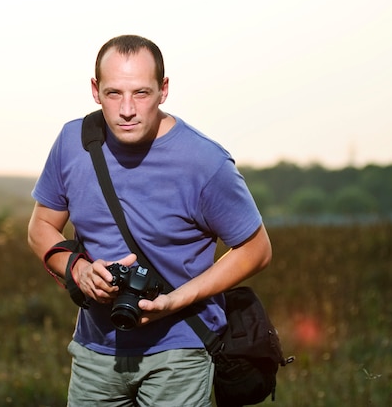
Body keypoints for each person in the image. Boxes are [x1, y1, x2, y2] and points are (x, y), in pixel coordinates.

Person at [27, 34, 272, 407]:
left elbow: (257, 249)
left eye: (141, 93)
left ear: (164, 89)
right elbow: (40, 227)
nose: (127, 109)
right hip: (95, 351)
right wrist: (77, 270)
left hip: (180, 349)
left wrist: (175, 301)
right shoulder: (73, 142)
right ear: (95, 90)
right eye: (114, 93)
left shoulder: (204, 161)